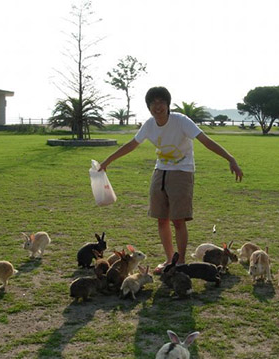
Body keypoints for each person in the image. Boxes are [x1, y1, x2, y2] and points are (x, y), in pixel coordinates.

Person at [99, 86, 243, 273]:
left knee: (178, 220)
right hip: (160, 171)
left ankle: (181, 261)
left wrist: (230, 159)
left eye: (161, 102)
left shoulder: (181, 121)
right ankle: (169, 260)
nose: (157, 106)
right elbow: (131, 145)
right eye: (153, 103)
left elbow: (206, 141)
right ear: (149, 106)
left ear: (168, 104)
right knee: (161, 219)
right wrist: (107, 161)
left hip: (182, 172)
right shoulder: (149, 124)